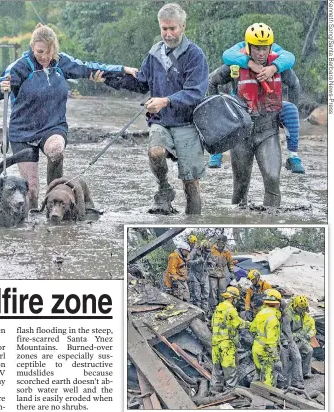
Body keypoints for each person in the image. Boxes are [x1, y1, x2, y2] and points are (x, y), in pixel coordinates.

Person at [0, 23, 137, 209]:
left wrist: (122, 69)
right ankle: (32, 223)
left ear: (55, 49)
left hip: (52, 126)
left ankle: (54, 194)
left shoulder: (60, 62)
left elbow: (89, 67)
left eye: (49, 52)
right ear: (32, 46)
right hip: (22, 132)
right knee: (31, 192)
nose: (45, 57)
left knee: (56, 150)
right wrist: (0, 88)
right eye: (40, 52)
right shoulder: (20, 67)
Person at [104, 3, 209, 215]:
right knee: (155, 151)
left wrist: (165, 100)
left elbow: (195, 92)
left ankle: (193, 223)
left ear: (183, 26)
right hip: (160, 121)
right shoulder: (153, 54)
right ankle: (164, 188)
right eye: (164, 29)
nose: (168, 34)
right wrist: (109, 79)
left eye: (173, 28)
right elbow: (141, 83)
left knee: (191, 186)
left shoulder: (195, 55)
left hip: (188, 124)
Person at [208, 23, 300, 207]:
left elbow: (295, 85)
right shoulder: (235, 64)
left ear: (270, 47)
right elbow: (212, 82)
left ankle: (271, 222)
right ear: (248, 47)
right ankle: (238, 224)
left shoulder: (280, 65)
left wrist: (289, 111)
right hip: (240, 134)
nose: (260, 53)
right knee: (240, 188)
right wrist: (218, 113)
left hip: (268, 132)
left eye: (264, 48)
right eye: (256, 48)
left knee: (273, 179)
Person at [210, 286, 249, 393]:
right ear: (233, 298)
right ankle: (231, 392)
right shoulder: (231, 309)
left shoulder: (219, 308)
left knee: (216, 368)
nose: (237, 301)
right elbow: (238, 323)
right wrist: (251, 325)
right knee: (229, 369)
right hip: (226, 343)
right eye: (236, 299)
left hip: (215, 342)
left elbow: (212, 323)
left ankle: (214, 390)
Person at [250, 288, 282, 387]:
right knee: (268, 382)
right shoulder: (273, 319)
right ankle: (265, 402)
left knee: (258, 376)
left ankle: (254, 396)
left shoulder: (260, 313)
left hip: (256, 349)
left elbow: (252, 329)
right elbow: (271, 342)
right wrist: (276, 359)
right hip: (266, 353)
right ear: (277, 303)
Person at [283, 295, 316, 383]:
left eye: (303, 309)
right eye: (301, 309)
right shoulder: (288, 314)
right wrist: (294, 336)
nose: (302, 311)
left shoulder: (301, 312)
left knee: (309, 350)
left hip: (299, 337)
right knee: (295, 357)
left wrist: (303, 335)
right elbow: (286, 331)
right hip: (289, 339)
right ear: (296, 306)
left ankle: (306, 373)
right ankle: (291, 379)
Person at [208, 235, 235, 311]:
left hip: (222, 275)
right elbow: (206, 261)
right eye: (220, 242)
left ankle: (222, 306)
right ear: (217, 241)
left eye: (223, 242)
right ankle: (213, 308)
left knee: (222, 291)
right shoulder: (212, 250)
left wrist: (232, 272)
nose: (222, 244)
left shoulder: (226, 252)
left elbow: (230, 263)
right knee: (212, 291)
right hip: (212, 274)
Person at [187, 238, 212, 311]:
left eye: (208, 251)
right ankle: (197, 312)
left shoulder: (208, 253)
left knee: (206, 295)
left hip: (204, 275)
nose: (207, 252)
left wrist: (210, 262)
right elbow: (188, 262)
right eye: (206, 250)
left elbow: (213, 260)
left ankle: (205, 312)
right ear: (202, 248)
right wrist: (198, 261)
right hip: (195, 275)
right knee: (196, 296)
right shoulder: (194, 251)